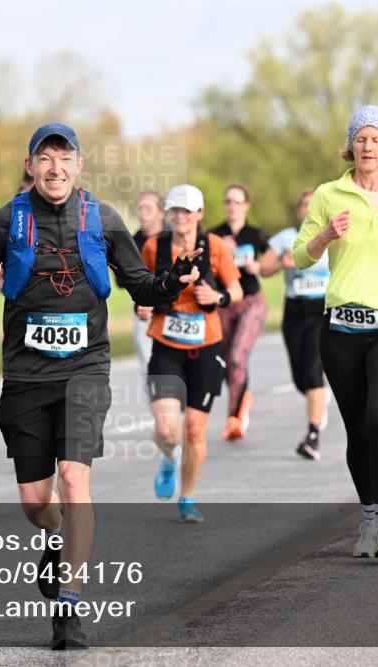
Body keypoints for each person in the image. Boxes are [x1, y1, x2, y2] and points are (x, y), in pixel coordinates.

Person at [0, 122, 200, 650]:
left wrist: (171, 282)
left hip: (86, 368)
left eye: (64, 157)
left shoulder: (103, 219)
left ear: (79, 165)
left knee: (74, 480)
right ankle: (57, 536)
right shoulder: (6, 221)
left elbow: (141, 286)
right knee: (35, 502)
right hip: (25, 376)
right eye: (45, 158)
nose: (55, 167)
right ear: (31, 166)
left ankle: (69, 607)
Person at [294, 105, 378, 558]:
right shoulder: (328, 195)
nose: (367, 146)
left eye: (375, 139)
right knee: (357, 428)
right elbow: (300, 255)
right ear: (350, 146)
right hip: (340, 329)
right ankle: (370, 521)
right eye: (360, 139)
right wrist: (325, 237)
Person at [141, 185, 242, 521]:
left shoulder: (215, 247)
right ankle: (170, 457)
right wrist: (142, 304)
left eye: (187, 211)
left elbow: (236, 289)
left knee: (196, 430)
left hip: (206, 345)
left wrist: (218, 298)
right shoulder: (155, 246)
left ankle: (187, 497)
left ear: (199, 213)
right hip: (166, 346)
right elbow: (141, 286)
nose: (181, 217)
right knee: (169, 430)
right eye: (176, 211)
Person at [209, 184, 277, 441]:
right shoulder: (214, 235)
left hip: (251, 301)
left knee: (238, 356)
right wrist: (218, 253)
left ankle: (234, 417)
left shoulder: (256, 234)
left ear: (246, 205)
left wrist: (258, 266)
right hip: (224, 302)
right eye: (228, 201)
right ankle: (240, 402)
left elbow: (275, 261)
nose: (232, 206)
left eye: (238, 202)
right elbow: (201, 266)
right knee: (227, 360)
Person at [267, 189, 331, 460]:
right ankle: (318, 397)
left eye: (313, 205)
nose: (308, 209)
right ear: (298, 210)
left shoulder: (333, 237)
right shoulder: (286, 238)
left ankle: (313, 435)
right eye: (304, 205)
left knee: (314, 372)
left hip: (323, 309)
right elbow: (263, 268)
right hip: (294, 310)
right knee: (299, 377)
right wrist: (282, 263)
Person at [132, 190, 168, 377]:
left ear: (161, 212)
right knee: (148, 367)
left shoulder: (174, 236)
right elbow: (123, 282)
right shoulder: (131, 241)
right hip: (143, 312)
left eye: (148, 208)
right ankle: (158, 407)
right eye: (140, 208)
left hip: (175, 311)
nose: (142, 212)